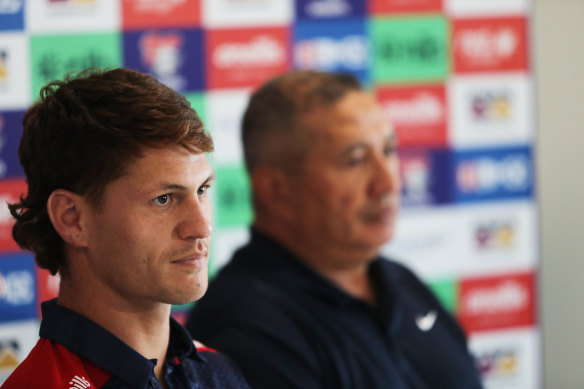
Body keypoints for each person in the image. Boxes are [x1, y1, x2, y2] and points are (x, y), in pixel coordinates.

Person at [186, 70, 484, 389]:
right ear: (277, 190)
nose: (388, 183)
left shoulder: (401, 281)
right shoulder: (246, 328)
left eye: (388, 151)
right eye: (355, 160)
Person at [1, 68, 251, 389]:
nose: (201, 227)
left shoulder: (219, 371)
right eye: (163, 199)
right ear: (72, 219)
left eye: (202, 190)